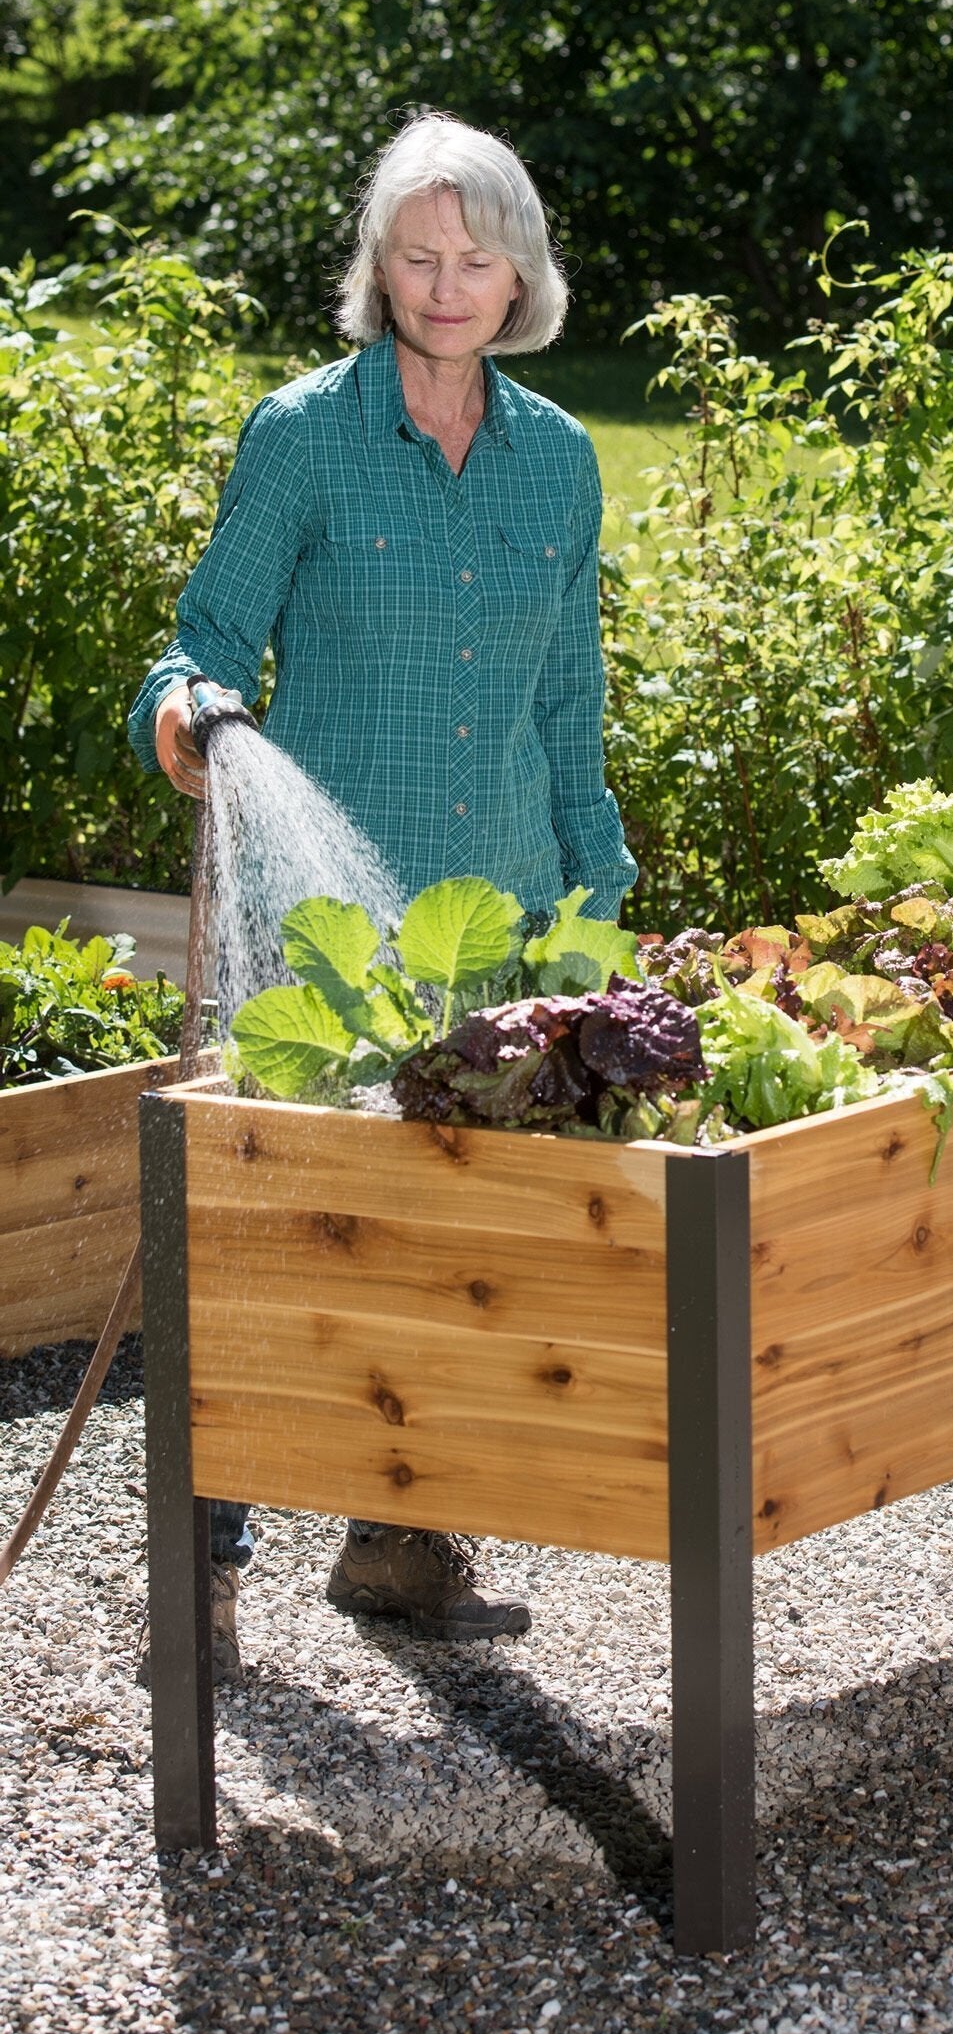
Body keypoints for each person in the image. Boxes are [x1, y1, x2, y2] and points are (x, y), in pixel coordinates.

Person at [130, 112, 637, 1675]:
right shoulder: (304, 434)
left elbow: (573, 703)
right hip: (325, 933)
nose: (442, 284)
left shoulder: (558, 459)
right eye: (416, 255)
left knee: (453, 1242)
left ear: (520, 273)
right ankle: (203, 1583)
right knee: (270, 1240)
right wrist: (189, 716)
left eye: (474, 258)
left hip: (494, 918)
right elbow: (198, 638)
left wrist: (601, 892)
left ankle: (402, 1538)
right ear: (378, 265)